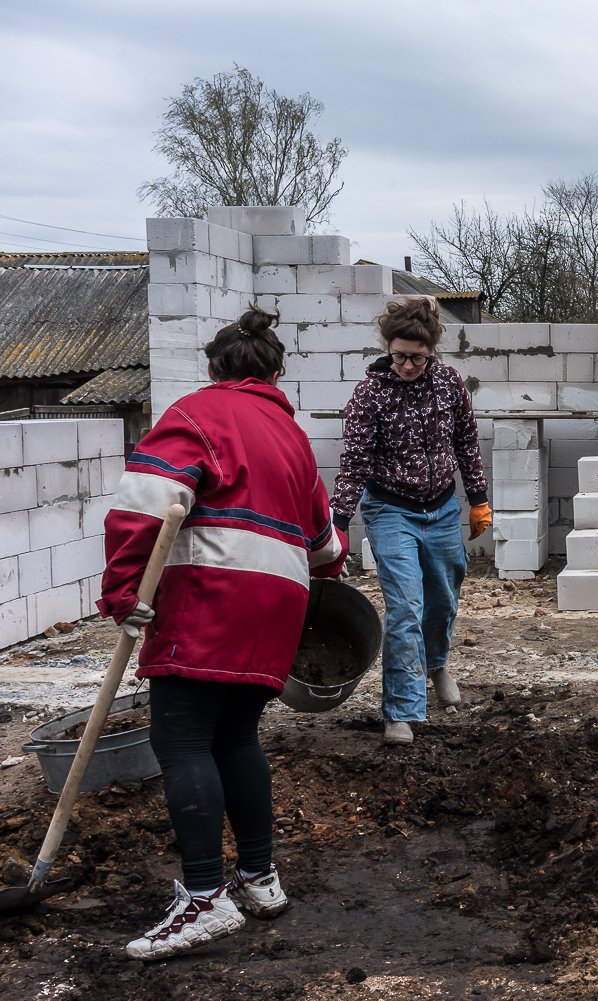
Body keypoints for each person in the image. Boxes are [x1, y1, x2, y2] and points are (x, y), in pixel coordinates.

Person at [98, 306, 347, 960]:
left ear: (213, 368)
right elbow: (327, 548)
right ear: (274, 373)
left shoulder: (194, 414)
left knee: (180, 740)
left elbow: (141, 507)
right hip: (278, 604)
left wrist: (123, 592)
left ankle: (205, 900)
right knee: (234, 734)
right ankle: (260, 878)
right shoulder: (292, 437)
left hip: (212, 596)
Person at [332, 298, 491, 746]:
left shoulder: (447, 383)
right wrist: (339, 522)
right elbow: (355, 461)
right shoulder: (370, 394)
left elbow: (466, 440)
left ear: (432, 353)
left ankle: (437, 665)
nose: (406, 365)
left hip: (441, 510)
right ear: (388, 349)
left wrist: (478, 498)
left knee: (442, 602)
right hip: (390, 510)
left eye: (416, 357)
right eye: (399, 355)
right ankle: (401, 710)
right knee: (405, 607)